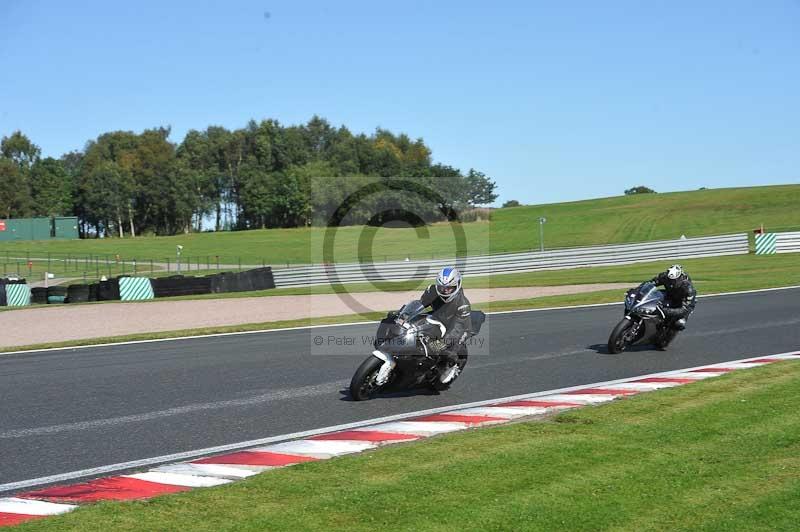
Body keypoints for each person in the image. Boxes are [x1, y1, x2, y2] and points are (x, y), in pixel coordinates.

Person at [420, 266, 472, 384]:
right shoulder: (431, 290)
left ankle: (451, 367)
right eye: (442, 288)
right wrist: (404, 315)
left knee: (449, 351)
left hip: (458, 328)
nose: (445, 291)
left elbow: (457, 330)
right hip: (438, 319)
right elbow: (420, 305)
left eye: (449, 288)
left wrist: (439, 345)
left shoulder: (463, 304)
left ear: (457, 286)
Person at [649, 264, 697, 330]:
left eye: (674, 280)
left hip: (683, 302)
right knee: (654, 295)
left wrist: (664, 310)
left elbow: (684, 310)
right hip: (670, 293)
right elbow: (651, 283)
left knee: (679, 323)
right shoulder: (665, 276)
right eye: (670, 280)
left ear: (679, 278)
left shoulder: (688, 289)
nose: (671, 283)